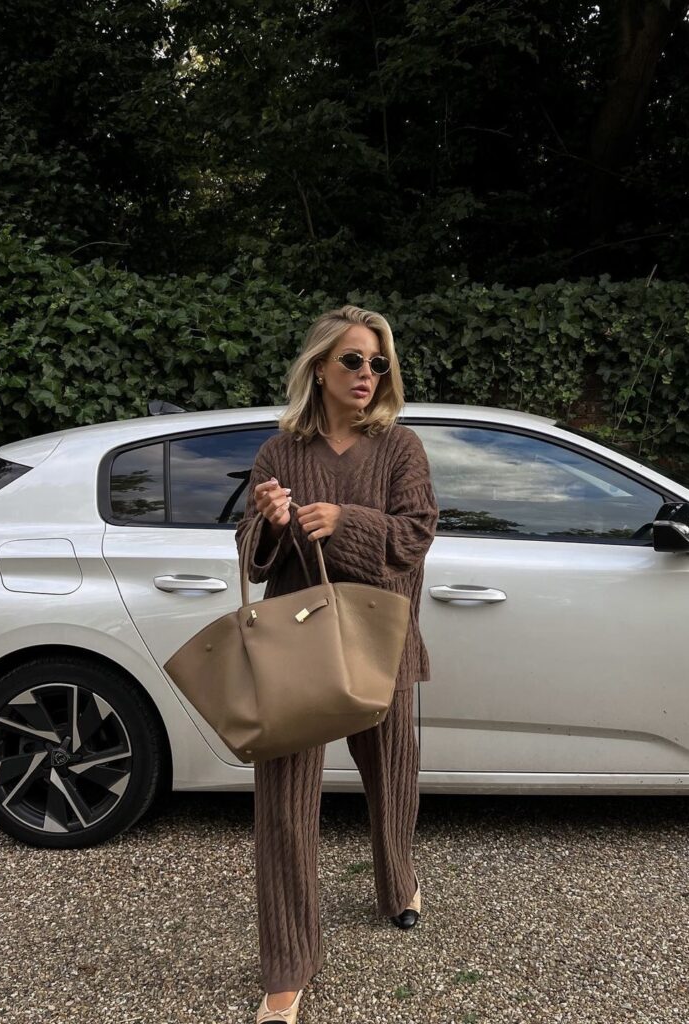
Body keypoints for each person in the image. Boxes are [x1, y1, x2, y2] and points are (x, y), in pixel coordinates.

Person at [234, 303, 439, 1024]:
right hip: (300, 648)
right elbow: (254, 559)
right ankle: (287, 964)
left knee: (394, 780)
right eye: (352, 359)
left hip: (380, 642)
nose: (367, 374)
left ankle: (397, 881)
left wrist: (344, 521)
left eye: (378, 361)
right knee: (284, 810)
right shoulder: (279, 451)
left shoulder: (401, 447)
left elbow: (415, 537)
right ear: (318, 367)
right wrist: (272, 521)